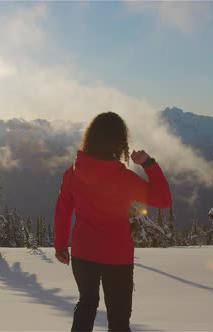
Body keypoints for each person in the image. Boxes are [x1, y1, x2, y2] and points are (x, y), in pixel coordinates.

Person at [53, 112, 172, 332]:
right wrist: (148, 163)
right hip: (117, 257)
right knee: (118, 320)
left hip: (83, 253)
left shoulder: (73, 173)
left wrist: (61, 246)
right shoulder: (123, 178)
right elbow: (163, 200)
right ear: (119, 142)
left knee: (86, 304)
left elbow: (63, 211)